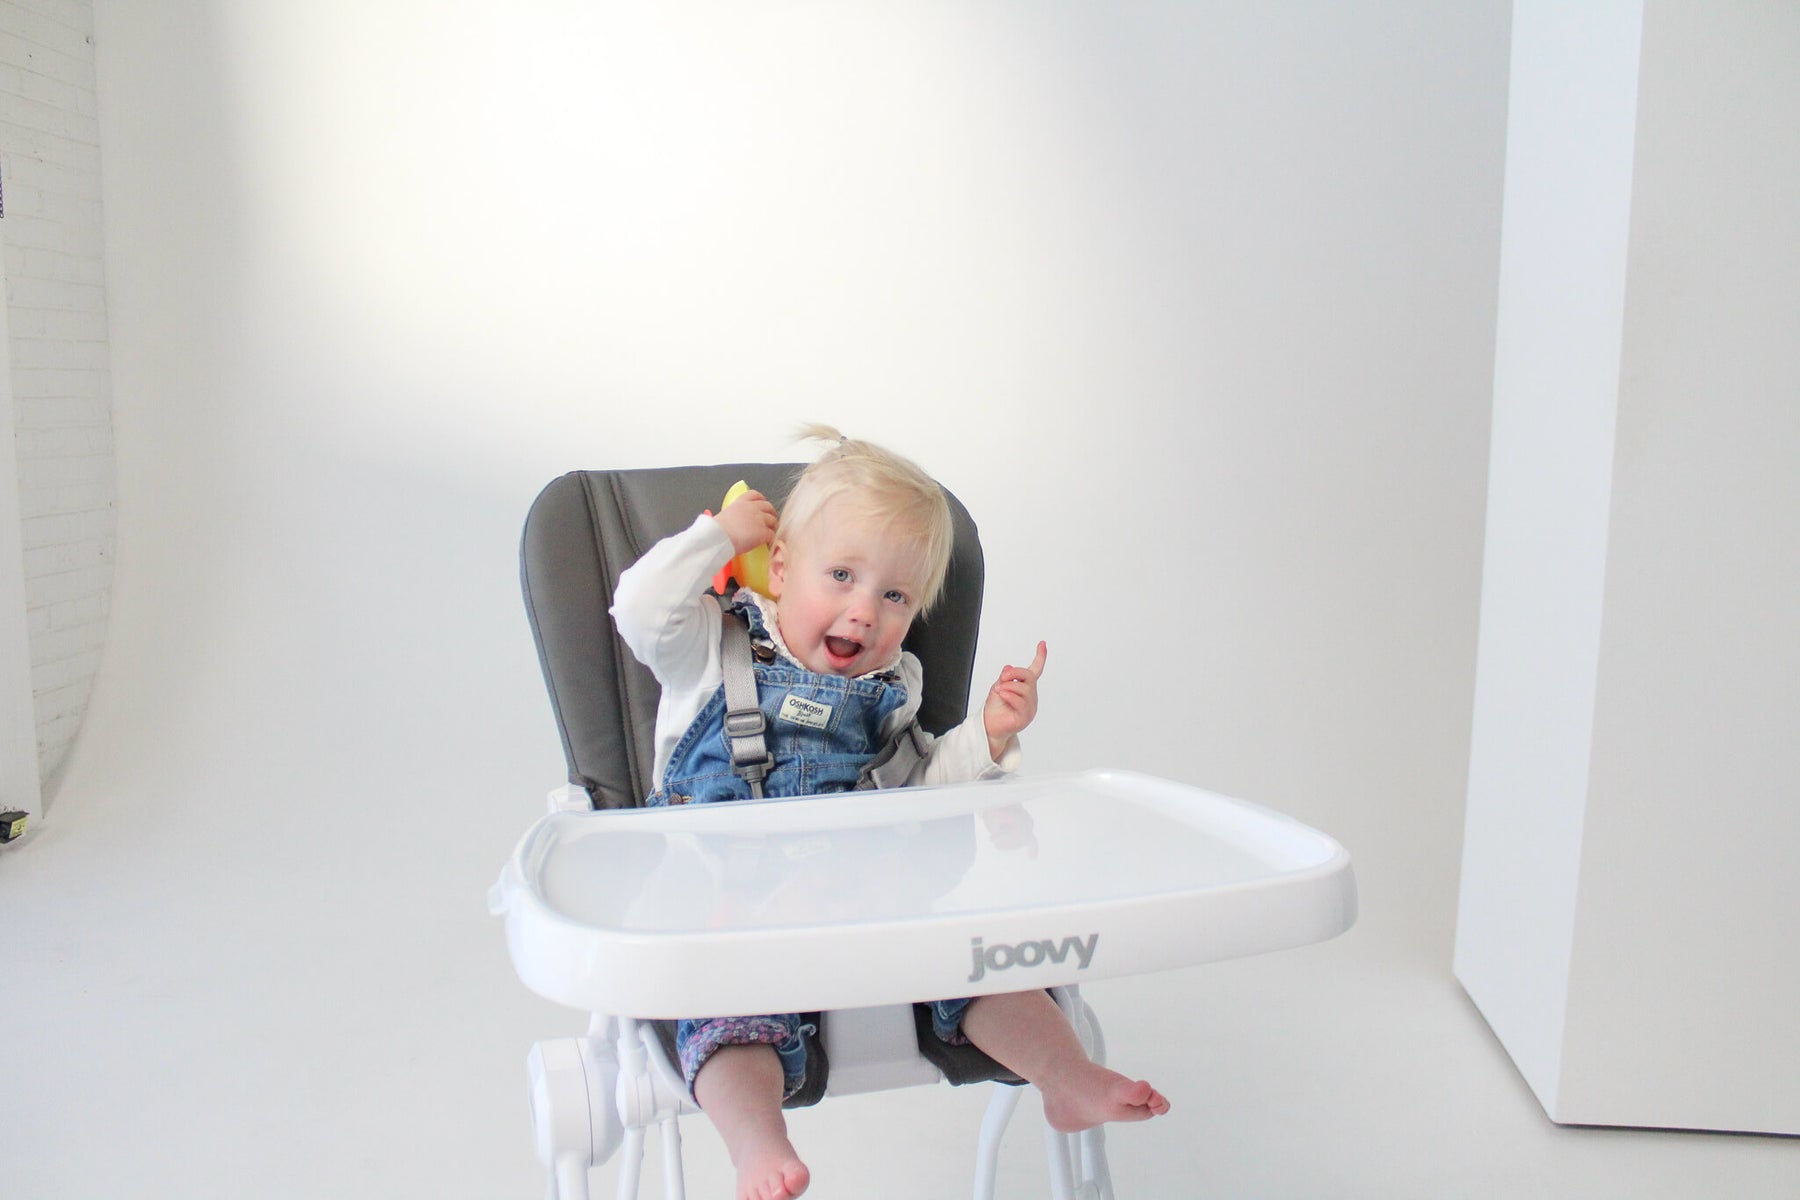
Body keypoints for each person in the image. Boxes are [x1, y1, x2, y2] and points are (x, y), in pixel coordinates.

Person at [611, 427, 1169, 1200]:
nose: (863, 610)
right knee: (730, 1025)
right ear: (777, 569)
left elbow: (918, 783)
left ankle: (1065, 1077)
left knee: (984, 970)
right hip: (730, 920)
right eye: (840, 575)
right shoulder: (711, 647)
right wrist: (715, 539)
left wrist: (989, 737)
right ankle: (758, 1143)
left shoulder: (893, 687)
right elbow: (636, 610)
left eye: (895, 595)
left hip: (875, 910)